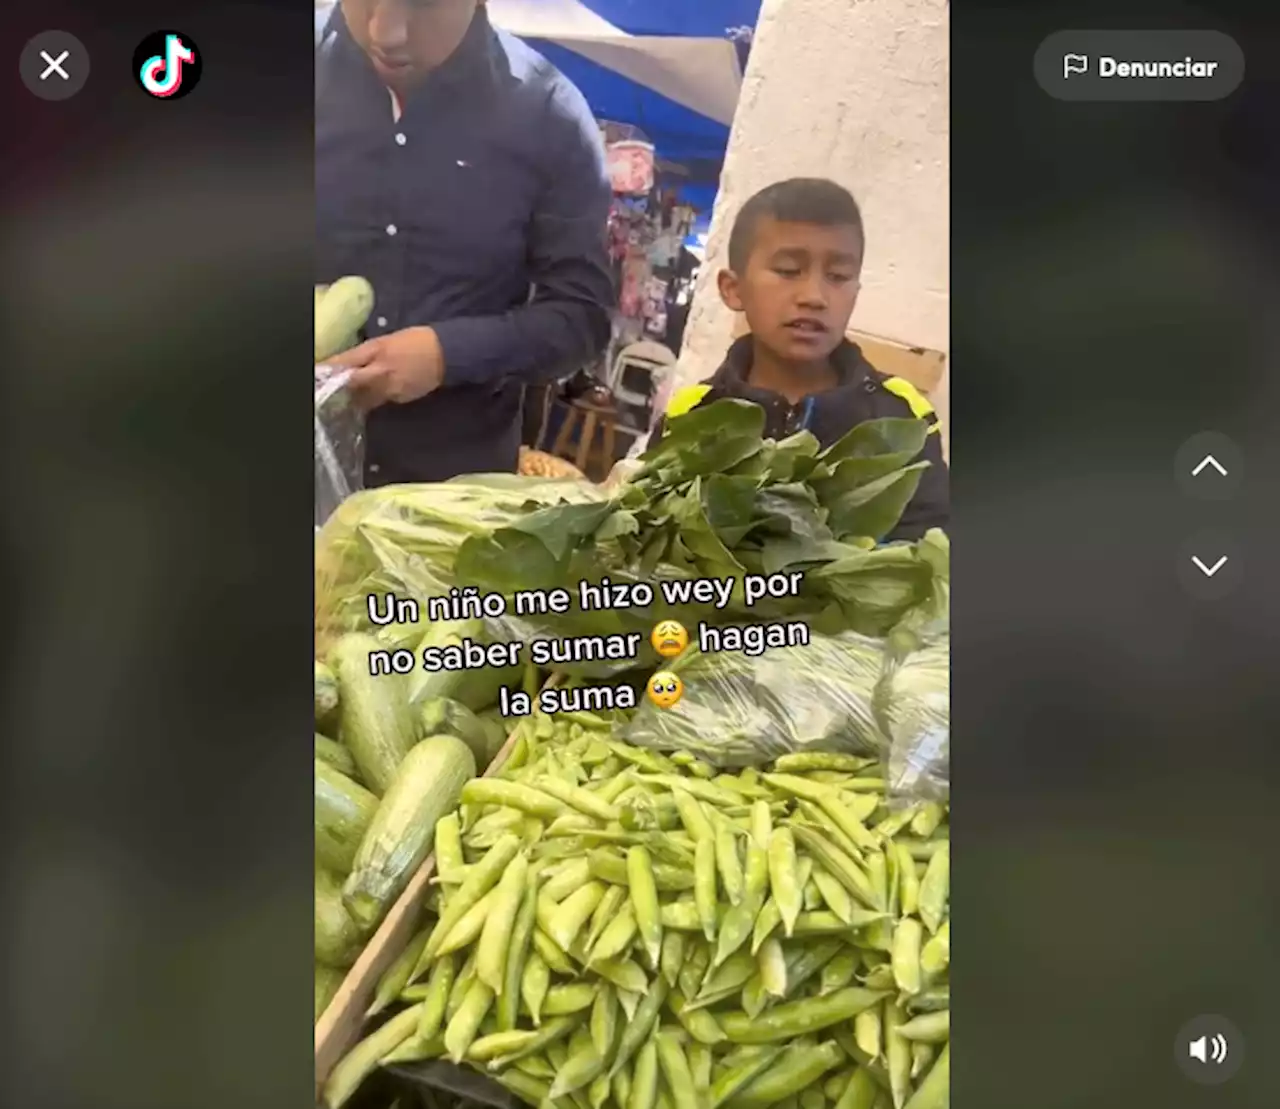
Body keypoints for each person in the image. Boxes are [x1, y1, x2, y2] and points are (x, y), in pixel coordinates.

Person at [315, 0, 615, 483]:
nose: (386, 31)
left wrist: (447, 354)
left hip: (442, 503)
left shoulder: (550, 118)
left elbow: (581, 315)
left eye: (423, 4)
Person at [654, 178, 949, 541]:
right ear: (733, 289)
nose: (814, 296)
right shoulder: (690, 416)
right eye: (788, 271)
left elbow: (931, 549)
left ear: (856, 292)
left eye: (838, 276)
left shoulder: (904, 418)